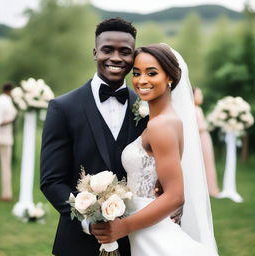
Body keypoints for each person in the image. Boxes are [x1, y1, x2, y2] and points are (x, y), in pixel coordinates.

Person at [92, 44, 219, 255]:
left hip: (153, 232)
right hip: (145, 229)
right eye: (136, 73)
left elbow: (176, 196)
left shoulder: (161, 125)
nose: (141, 80)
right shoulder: (166, 120)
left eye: (152, 73)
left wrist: (123, 227)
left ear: (170, 77)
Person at [40, 18, 149, 256]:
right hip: (76, 244)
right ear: (95, 52)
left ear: (133, 58)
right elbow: (51, 180)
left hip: (137, 241)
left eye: (125, 52)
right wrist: (87, 221)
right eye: (108, 49)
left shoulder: (145, 108)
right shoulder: (63, 107)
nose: (116, 58)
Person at [193, 87, 220, 197]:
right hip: (201, 137)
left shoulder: (198, 108)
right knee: (205, 162)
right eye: (199, 94)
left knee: (208, 162)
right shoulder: (194, 109)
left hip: (204, 137)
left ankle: (211, 187)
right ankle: (208, 189)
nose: (201, 97)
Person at [0, 82, 17, 201]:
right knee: (6, 167)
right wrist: (11, 120)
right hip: (3, 138)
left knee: (5, 167)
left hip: (5, 138)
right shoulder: (3, 101)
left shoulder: (4, 100)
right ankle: (6, 194)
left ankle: (6, 194)